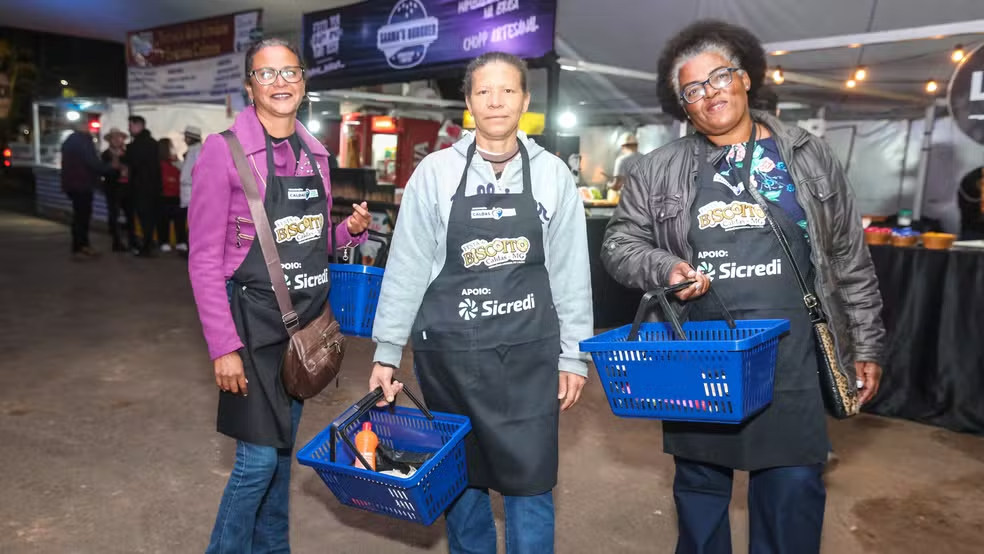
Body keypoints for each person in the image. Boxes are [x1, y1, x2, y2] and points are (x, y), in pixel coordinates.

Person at [601, 21, 886, 554]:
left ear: (746, 78)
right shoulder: (655, 169)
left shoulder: (808, 153)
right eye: (693, 89)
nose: (710, 94)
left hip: (792, 355)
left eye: (720, 76)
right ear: (682, 105)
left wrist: (867, 343)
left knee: (793, 492)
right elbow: (619, 245)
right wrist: (665, 268)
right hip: (700, 356)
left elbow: (849, 257)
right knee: (702, 494)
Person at [369, 52, 593, 553]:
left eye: (508, 90)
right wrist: (387, 350)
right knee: (462, 483)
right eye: (484, 91)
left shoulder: (554, 175)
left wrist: (573, 354)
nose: (496, 100)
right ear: (468, 101)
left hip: (530, 359)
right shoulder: (435, 173)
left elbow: (570, 274)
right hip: (450, 358)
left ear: (525, 100)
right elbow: (405, 266)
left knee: (530, 483)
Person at [188, 37, 371, 554]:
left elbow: (307, 241)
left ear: (304, 81)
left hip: (305, 325)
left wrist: (349, 232)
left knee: (283, 454)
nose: (280, 82)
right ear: (250, 85)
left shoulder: (316, 155)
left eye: (289, 72)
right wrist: (223, 346)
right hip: (249, 328)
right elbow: (202, 259)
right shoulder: (221, 152)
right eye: (266, 74)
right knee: (257, 462)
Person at [60, 119, 116, 259]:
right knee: (82, 216)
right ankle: (81, 247)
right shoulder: (83, 140)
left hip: (72, 183)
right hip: (81, 184)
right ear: (84, 126)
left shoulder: (70, 140)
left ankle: (79, 246)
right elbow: (92, 162)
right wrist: (110, 167)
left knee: (79, 215)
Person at [127, 115, 162, 257]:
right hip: (152, 187)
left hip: (142, 188)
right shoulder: (152, 143)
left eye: (130, 125)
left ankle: (146, 246)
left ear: (139, 125)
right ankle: (149, 242)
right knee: (150, 218)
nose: (129, 128)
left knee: (145, 218)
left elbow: (134, 164)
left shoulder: (138, 145)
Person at [101, 127, 136, 252]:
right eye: (114, 137)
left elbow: (133, 168)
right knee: (114, 216)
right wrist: (114, 166)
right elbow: (103, 170)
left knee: (130, 215)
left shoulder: (128, 153)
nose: (117, 139)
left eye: (119, 137)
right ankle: (117, 242)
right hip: (113, 189)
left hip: (127, 189)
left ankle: (133, 241)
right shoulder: (106, 154)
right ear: (110, 140)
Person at [157, 138, 184, 253]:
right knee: (166, 220)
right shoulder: (160, 164)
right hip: (166, 195)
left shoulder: (174, 162)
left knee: (177, 220)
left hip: (174, 195)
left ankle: (177, 241)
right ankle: (166, 242)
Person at [179, 125, 203, 254]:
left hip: (193, 193)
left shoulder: (197, 151)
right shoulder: (192, 151)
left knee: (195, 225)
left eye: (185, 137)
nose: (184, 139)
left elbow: (198, 172)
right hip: (190, 192)